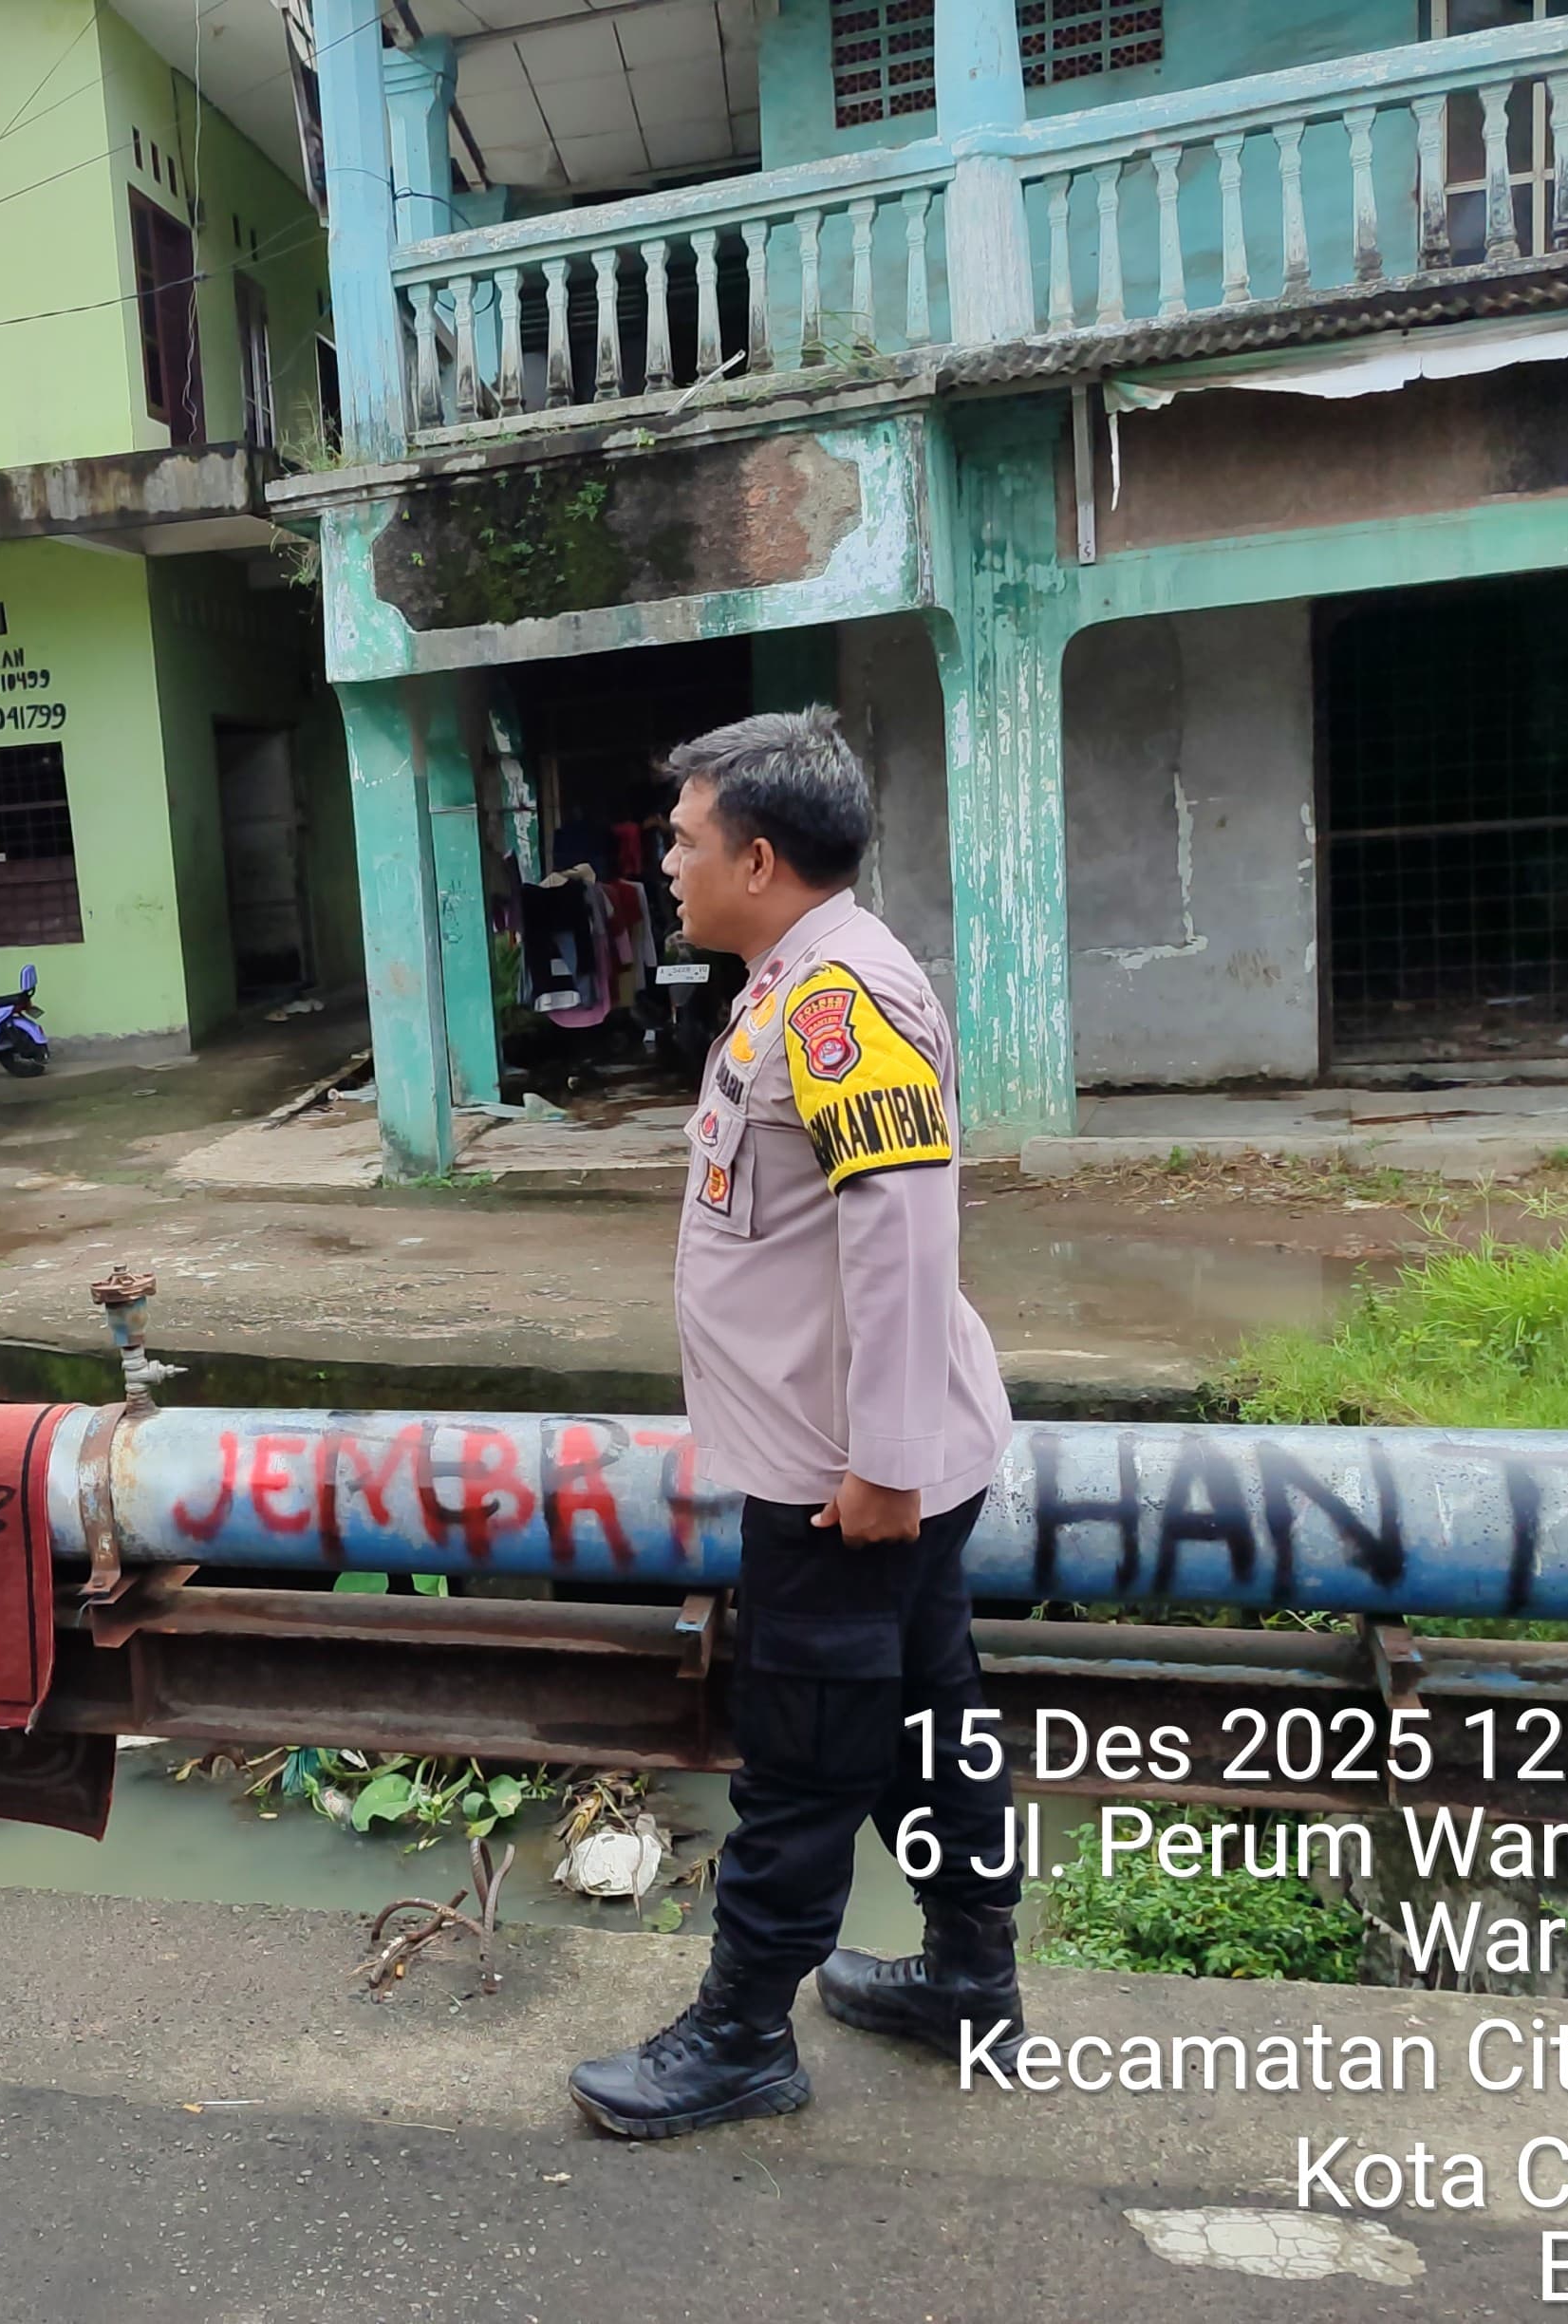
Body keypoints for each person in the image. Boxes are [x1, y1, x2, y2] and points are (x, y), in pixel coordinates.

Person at [569, 708, 1020, 2141]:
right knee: (924, 1725)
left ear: (758, 859)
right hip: (858, 1455)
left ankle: (741, 2038)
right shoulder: (793, 983)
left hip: (850, 1476)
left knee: (807, 1756)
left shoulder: (840, 1004)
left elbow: (901, 1235)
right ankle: (970, 1979)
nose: (667, 868)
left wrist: (883, 1463)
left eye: (684, 842)